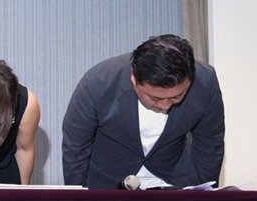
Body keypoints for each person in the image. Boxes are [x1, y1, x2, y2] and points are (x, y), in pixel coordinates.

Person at [62, 34, 225, 189]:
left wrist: (207, 197)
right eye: (155, 98)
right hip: (108, 183)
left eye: (177, 96)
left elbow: (210, 143)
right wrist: (77, 199)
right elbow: (76, 146)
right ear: (133, 77)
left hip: (174, 180)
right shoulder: (99, 82)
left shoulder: (205, 81)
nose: (165, 106)